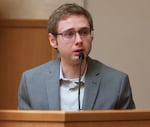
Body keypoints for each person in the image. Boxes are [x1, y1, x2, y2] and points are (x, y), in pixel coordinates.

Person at [18, 3, 135, 110]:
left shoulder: (117, 82)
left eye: (84, 32)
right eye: (69, 34)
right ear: (53, 40)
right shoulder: (31, 82)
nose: (79, 40)